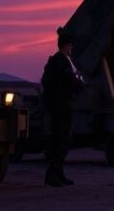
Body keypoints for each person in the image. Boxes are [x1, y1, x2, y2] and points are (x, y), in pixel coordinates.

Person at [41, 27, 83, 187]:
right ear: (65, 45)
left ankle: (58, 174)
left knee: (62, 141)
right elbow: (68, 82)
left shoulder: (58, 61)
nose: (72, 48)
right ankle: (53, 176)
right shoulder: (60, 61)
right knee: (60, 141)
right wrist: (79, 85)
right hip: (61, 107)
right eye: (70, 45)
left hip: (60, 106)